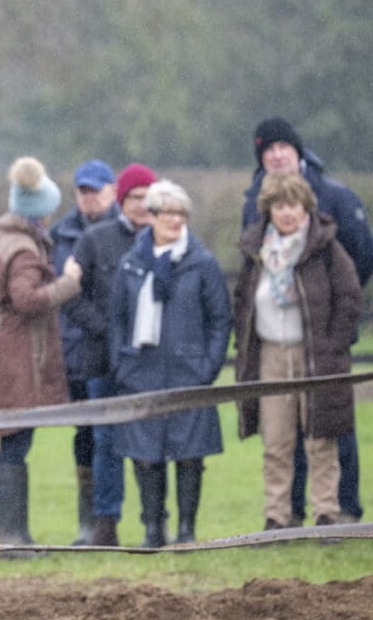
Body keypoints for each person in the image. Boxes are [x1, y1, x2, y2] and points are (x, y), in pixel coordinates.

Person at [242, 117, 373, 525]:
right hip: (272, 350)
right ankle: (282, 514)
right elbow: (243, 297)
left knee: (328, 434)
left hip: (320, 346)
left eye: (283, 146)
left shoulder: (334, 197)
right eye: (268, 149)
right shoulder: (254, 222)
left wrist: (333, 330)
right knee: (279, 439)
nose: (276, 154)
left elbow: (357, 267)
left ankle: (338, 510)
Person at [110, 179, 231, 547]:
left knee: (190, 455)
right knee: (145, 456)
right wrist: (121, 365)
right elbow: (117, 318)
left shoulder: (202, 263)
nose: (175, 220)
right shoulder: (131, 264)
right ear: (153, 216)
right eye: (168, 213)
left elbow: (220, 319)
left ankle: (187, 530)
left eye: (181, 213)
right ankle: (152, 528)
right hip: (140, 372)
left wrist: (207, 367)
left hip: (188, 372)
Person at [0, 157, 82, 550]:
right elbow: (27, 299)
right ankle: (13, 537)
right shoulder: (23, 250)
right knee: (15, 443)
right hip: (18, 359)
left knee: (11, 442)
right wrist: (68, 284)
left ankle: (13, 535)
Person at [65, 162, 157, 546]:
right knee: (105, 441)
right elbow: (72, 296)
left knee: (150, 438)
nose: (140, 205)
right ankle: (106, 522)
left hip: (149, 360)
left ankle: (154, 520)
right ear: (121, 199)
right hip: (101, 358)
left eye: (146, 198)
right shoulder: (95, 239)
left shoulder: (164, 239)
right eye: (133, 197)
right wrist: (106, 328)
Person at [49, 158, 119, 545]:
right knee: (85, 434)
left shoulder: (127, 229)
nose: (89, 198)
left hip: (114, 348)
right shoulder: (61, 233)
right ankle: (88, 520)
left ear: (112, 191)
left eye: (96, 190)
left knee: (115, 435)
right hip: (74, 348)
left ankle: (114, 519)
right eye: (83, 191)